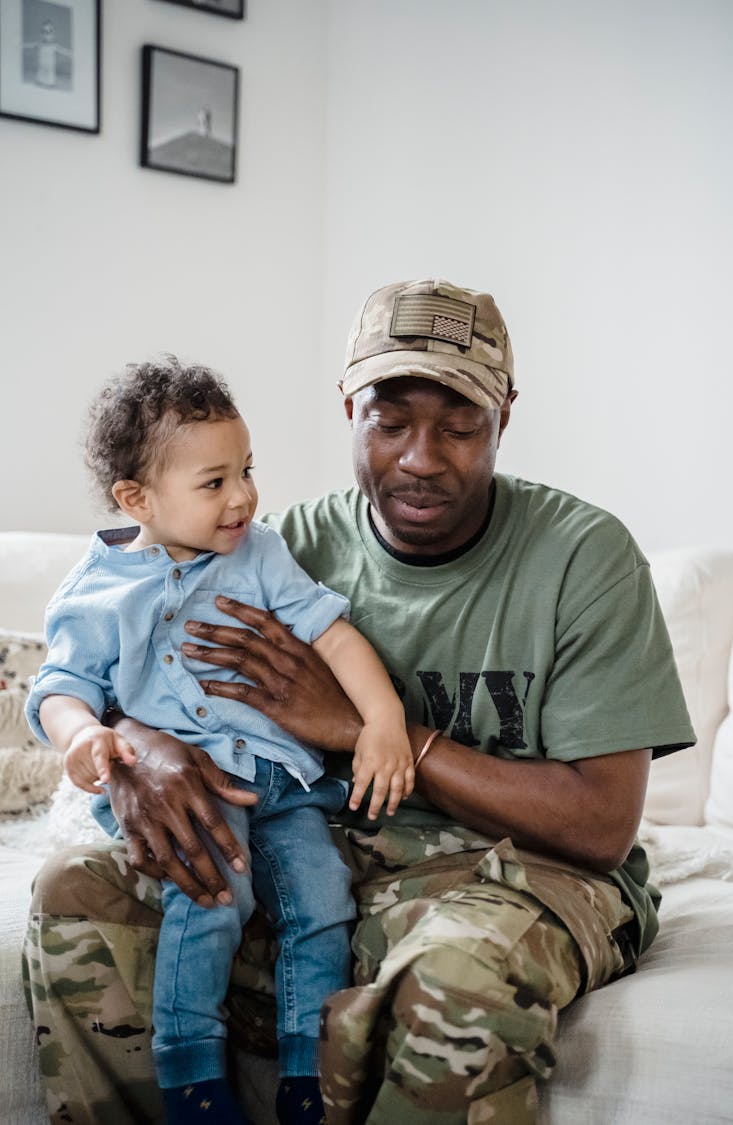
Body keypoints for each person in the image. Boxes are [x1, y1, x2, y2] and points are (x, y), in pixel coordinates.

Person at [24, 279, 695, 1125]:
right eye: (389, 421)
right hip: (324, 852)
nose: (421, 456)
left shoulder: (584, 559)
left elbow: (602, 826)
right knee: (76, 887)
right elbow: (127, 671)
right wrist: (132, 744)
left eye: (459, 426)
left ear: (506, 418)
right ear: (348, 408)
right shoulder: (276, 547)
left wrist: (359, 725)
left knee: (453, 981)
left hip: (513, 872)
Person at [24, 359, 414, 1125]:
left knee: (324, 897)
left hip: (283, 781)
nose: (242, 496)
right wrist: (84, 736)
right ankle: (193, 1075)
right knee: (213, 896)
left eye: (247, 470)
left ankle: (308, 1073)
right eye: (213, 482)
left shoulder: (258, 552)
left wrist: (385, 721)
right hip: (193, 791)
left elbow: (333, 638)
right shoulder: (96, 589)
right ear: (136, 497)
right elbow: (62, 687)